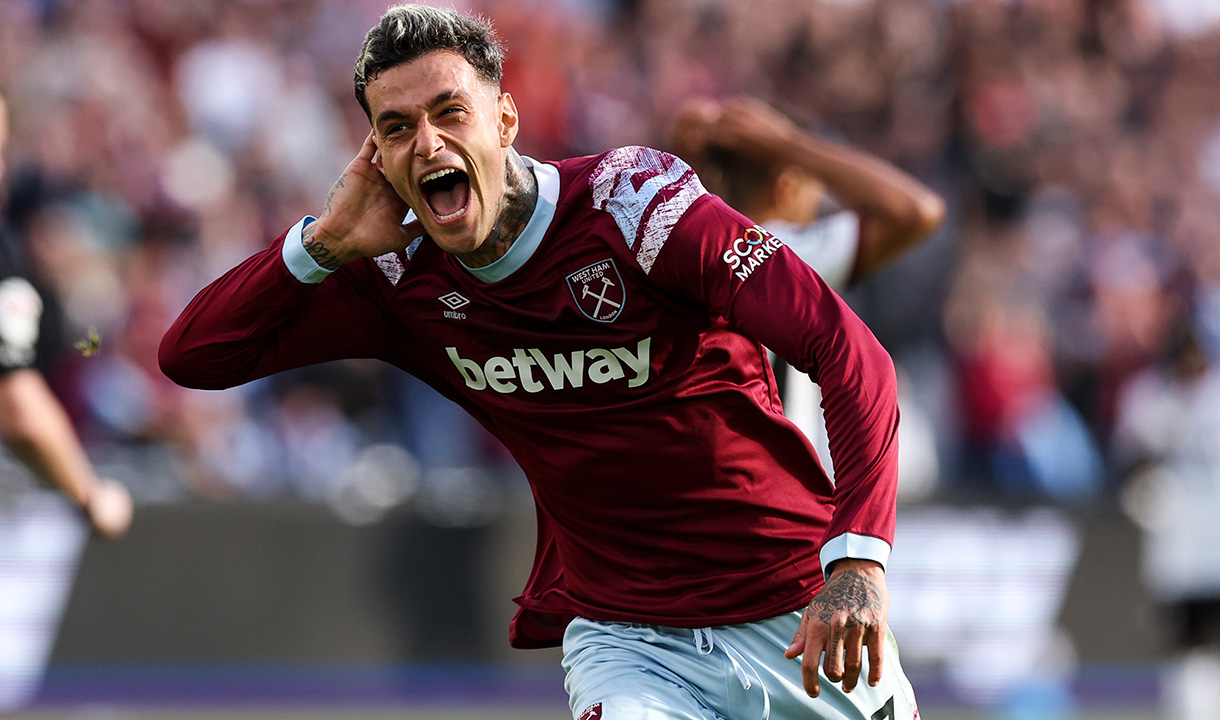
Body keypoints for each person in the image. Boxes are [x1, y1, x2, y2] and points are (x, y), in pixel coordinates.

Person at [160, 5, 917, 718]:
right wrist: (321, 243)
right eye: (397, 128)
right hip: (629, 640)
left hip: (792, 609)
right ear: (380, 160)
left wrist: (857, 564)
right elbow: (195, 355)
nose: (427, 142)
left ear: (505, 119)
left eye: (449, 112)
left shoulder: (638, 206)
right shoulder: (398, 277)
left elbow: (847, 349)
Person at [669, 98, 945, 481]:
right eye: (813, 185)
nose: (818, 201)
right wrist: (791, 144)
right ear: (786, 188)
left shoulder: (677, 253)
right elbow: (918, 211)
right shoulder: (780, 255)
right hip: (769, 503)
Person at [0, 91, 133, 710]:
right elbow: (21, 404)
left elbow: (82, 354)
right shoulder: (23, 281)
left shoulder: (62, 304)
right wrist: (87, 492)